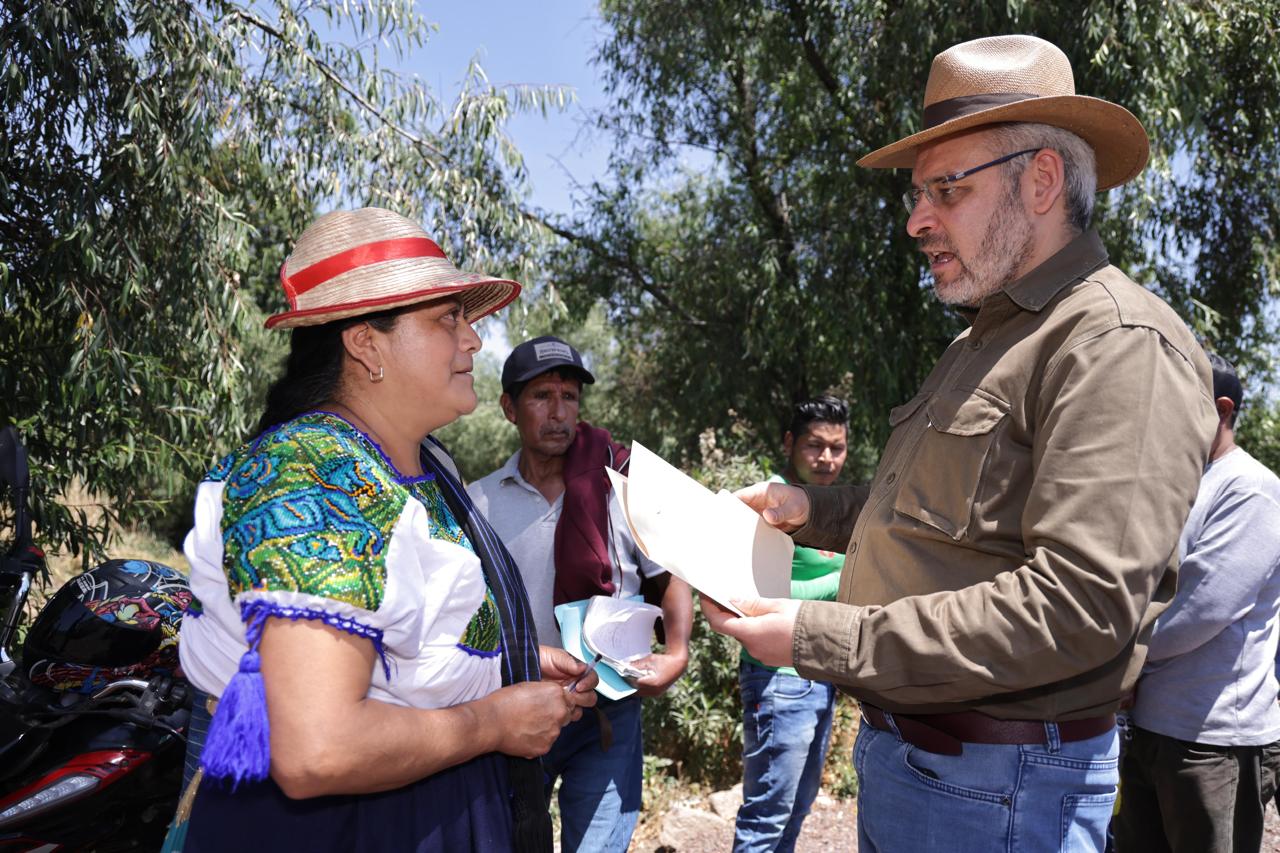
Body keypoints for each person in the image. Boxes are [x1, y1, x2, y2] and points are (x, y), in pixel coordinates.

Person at [700, 34, 1217, 852]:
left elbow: (1078, 607)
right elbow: (933, 512)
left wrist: (818, 634)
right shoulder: (985, 338)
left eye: (946, 188)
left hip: (1001, 792)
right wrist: (812, 509)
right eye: (918, 193)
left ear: (1041, 180)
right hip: (929, 769)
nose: (916, 221)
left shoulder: (1116, 343)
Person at [169, 208, 597, 853]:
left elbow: (397, 637)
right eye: (446, 320)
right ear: (366, 343)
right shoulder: (313, 476)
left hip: (425, 807)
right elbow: (318, 748)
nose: (473, 341)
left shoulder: (418, 467)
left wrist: (511, 660)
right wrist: (490, 724)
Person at [467, 335, 693, 853]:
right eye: (541, 396)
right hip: (516, 706)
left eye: (569, 397)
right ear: (508, 409)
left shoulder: (619, 488)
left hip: (607, 710)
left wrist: (676, 654)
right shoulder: (477, 503)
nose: (558, 411)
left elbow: (671, 572)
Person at [1114, 353, 1280, 852]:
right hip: (1151, 728)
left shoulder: (1252, 490)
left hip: (1212, 742)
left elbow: (1199, 609)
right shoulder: (1181, 483)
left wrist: (1116, 664)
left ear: (1221, 408)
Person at [734, 395, 850, 853]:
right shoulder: (773, 503)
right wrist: (853, 572)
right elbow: (759, 597)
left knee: (796, 811)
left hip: (820, 671)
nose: (826, 458)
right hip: (779, 680)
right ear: (789, 443)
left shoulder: (832, 506)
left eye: (836, 448)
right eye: (814, 445)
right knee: (767, 817)